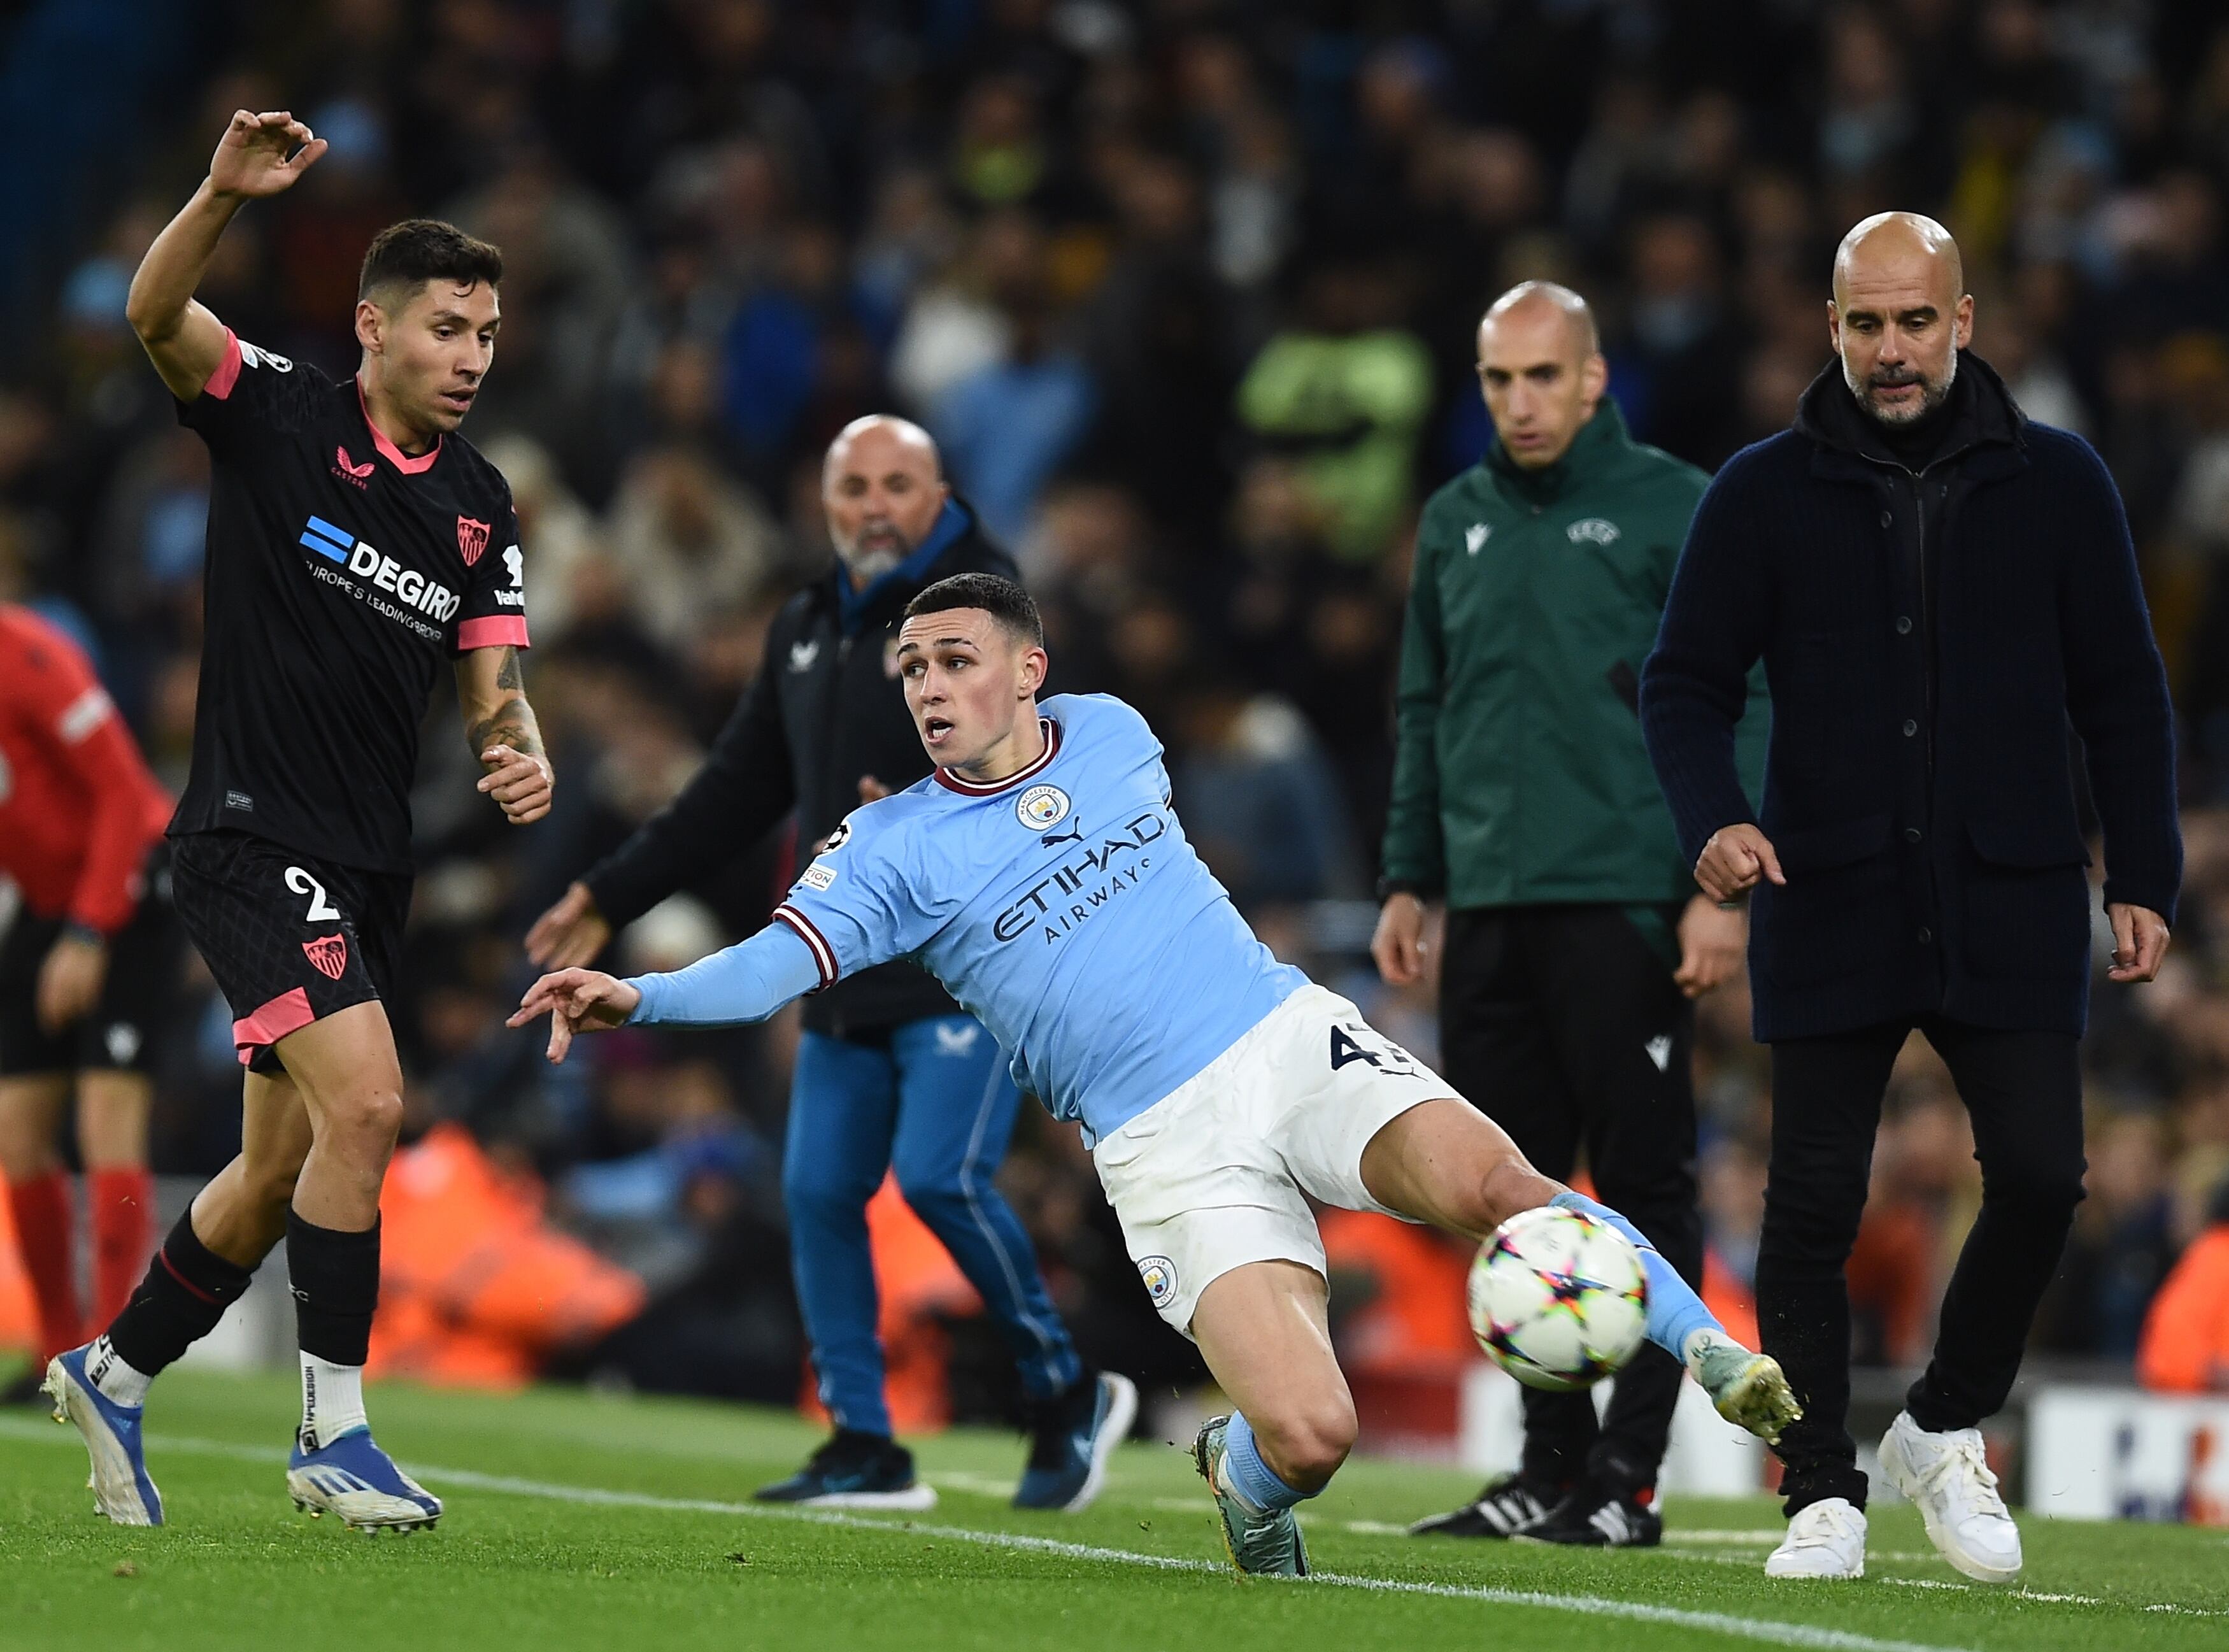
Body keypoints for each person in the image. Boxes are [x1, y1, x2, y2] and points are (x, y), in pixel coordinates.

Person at [510, 572, 1801, 1577]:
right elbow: (769, 969)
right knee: (1314, 1434)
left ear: (1031, 670)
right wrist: (643, 994)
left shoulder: (1111, 732)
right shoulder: (889, 846)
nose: (929, 686)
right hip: (1162, 1144)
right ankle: (1245, 1476)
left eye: (956, 659)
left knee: (1501, 1183)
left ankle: (1712, 1352)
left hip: (1286, 1038)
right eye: (912, 668)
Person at [1641, 213, 2180, 1583]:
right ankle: (1820, 1486)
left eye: (1916, 321)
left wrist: (2145, 870)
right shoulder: (1759, 490)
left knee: (2046, 1178)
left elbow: (2123, 690)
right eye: (1868, 323)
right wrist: (1714, 819)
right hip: (1827, 887)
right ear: (1831, 327)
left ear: (1964, 320)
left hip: (2012, 888)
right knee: (1811, 1205)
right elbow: (1684, 681)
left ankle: (1939, 1428)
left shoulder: (2063, 480)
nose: (1893, 348)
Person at [43, 110, 554, 1532]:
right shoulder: (278, 412)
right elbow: (154, 315)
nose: (471, 356)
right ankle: (335, 1433)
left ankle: (111, 1371)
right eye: (447, 328)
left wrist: (518, 754)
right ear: (374, 327)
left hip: (367, 861)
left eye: (488, 335)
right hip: (247, 834)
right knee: (373, 1103)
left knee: (277, 1169)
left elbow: (496, 689)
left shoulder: (480, 503)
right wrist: (218, 192)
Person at [526, 416, 1126, 1513]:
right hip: (842, 953)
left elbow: (1055, 756)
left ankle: (1063, 1387)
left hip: (963, 957)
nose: (874, 506)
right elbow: (735, 787)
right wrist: (611, 892)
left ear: (939, 493)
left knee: (942, 1178)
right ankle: (862, 1440)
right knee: (814, 1191)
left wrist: (946, 806)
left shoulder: (986, 609)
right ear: (825, 498)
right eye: (855, 487)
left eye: (898, 484)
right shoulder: (807, 622)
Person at [1378, 282, 1765, 1548]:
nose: (1521, 401)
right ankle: (1546, 1467)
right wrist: (1408, 874)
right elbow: (1425, 706)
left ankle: (1627, 1476)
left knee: (1645, 1187)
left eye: (1543, 375)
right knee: (1511, 1201)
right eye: (1499, 380)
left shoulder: (1675, 505)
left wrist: (1717, 884)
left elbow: (1744, 692)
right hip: (1488, 905)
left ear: (1594, 379)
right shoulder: (1457, 516)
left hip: (1626, 899)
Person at [0, 606, 182, 1400]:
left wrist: (88, 931)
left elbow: (119, 788)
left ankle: (110, 1363)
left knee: (108, 1118)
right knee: (17, 1132)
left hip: (126, 887)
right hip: (43, 903)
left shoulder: (33, 657)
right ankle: (54, 1351)